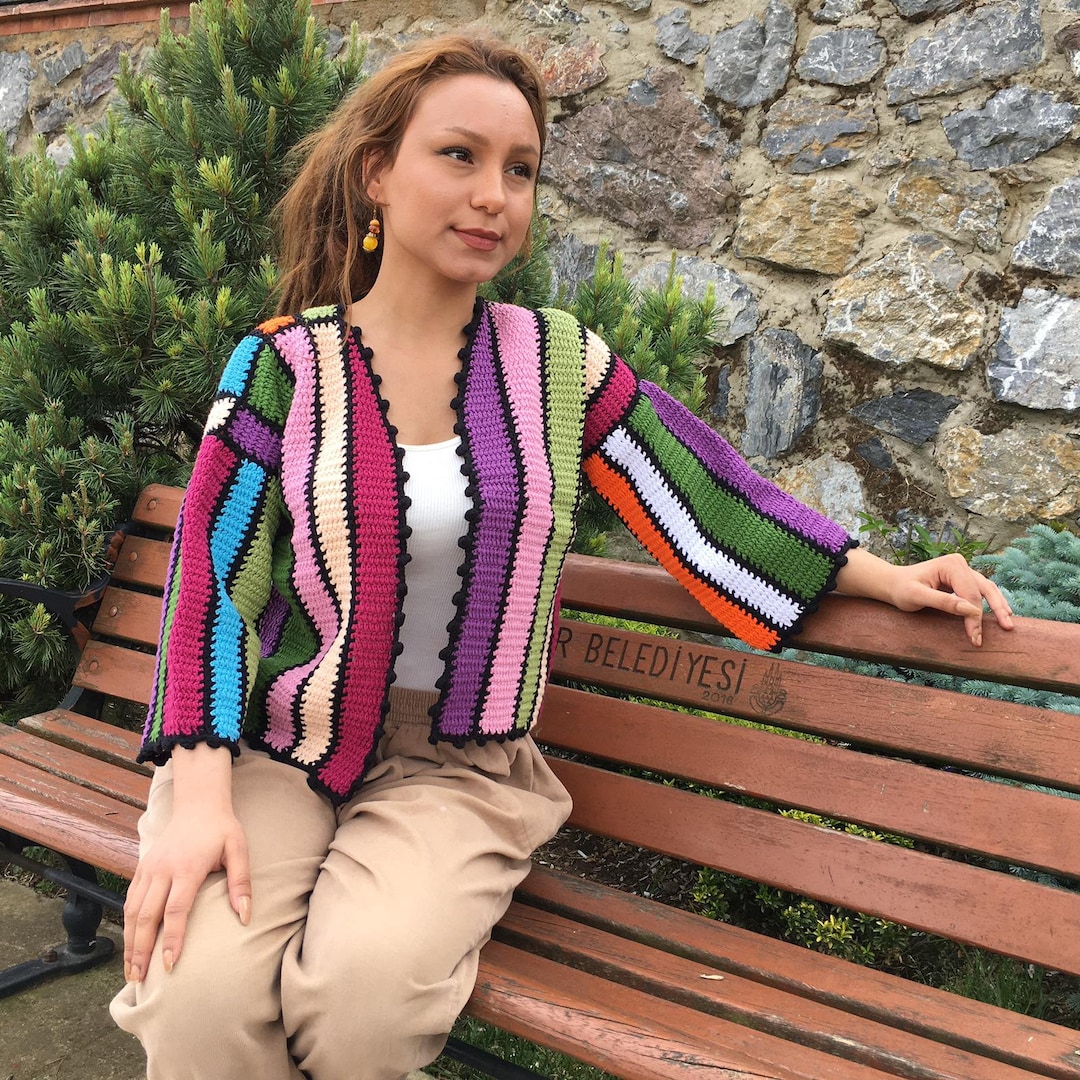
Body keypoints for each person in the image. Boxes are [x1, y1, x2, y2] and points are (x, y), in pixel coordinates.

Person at [110, 34, 1013, 1080]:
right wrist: (200, 796)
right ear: (377, 173)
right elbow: (214, 576)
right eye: (459, 155)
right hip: (276, 745)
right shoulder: (281, 368)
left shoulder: (556, 366)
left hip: (457, 766)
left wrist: (891, 576)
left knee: (361, 1007)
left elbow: (708, 500)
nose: (493, 195)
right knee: (199, 1000)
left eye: (521, 169)